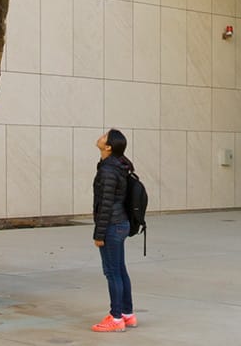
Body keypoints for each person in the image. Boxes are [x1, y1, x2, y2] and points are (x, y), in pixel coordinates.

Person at [91, 128, 137, 332]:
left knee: (112, 272)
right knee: (120, 270)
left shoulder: (108, 170)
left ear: (108, 147)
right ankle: (128, 314)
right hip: (120, 224)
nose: (100, 137)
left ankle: (116, 317)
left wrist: (99, 234)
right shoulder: (117, 166)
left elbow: (106, 204)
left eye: (104, 137)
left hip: (112, 225)